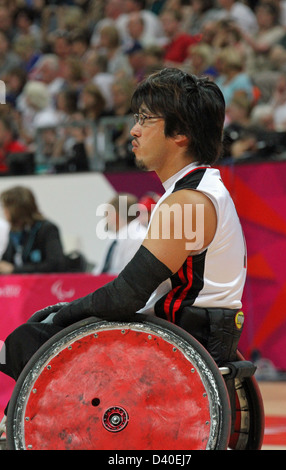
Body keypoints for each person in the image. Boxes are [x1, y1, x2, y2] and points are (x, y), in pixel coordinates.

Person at [0, 69, 246, 423]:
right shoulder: (200, 191)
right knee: (39, 333)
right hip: (194, 333)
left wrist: (62, 311)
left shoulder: (188, 202)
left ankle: (20, 431)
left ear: (180, 133)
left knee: (30, 337)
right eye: (136, 118)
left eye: (145, 119)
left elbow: (126, 295)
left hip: (181, 342)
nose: (133, 130)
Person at [0, 186, 66, 275]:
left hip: (42, 284)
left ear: (17, 209)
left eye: (6, 208)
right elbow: (6, 261)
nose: (4, 212)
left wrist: (15, 270)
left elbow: (54, 265)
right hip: (17, 285)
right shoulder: (14, 231)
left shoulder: (47, 229)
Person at [93, 193, 147, 275]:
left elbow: (128, 275)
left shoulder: (137, 238)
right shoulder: (114, 238)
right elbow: (100, 271)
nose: (105, 219)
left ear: (114, 215)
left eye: (106, 214)